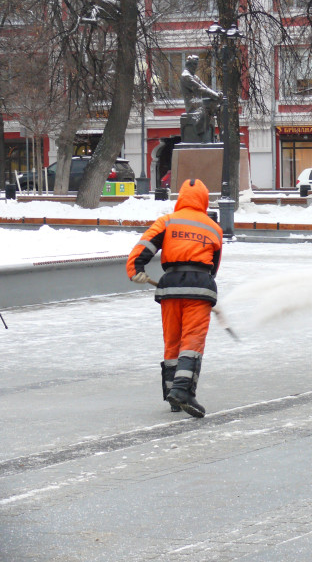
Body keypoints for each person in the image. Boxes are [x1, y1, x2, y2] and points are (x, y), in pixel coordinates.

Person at [126, 178, 223, 418]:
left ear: (180, 198)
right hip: (199, 288)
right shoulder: (213, 228)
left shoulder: (167, 221)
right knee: (192, 341)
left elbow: (143, 247)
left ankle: (173, 395)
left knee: (173, 340)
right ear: (204, 200)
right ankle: (182, 391)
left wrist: (135, 270)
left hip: (169, 287)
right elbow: (214, 267)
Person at [180, 55, 221, 143]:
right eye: (194, 64)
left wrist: (216, 95)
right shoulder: (185, 76)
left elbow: (205, 87)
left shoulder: (195, 77)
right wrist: (215, 95)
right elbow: (199, 89)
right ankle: (201, 131)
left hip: (198, 101)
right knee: (211, 104)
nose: (196, 67)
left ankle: (217, 132)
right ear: (189, 64)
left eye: (196, 65)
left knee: (217, 103)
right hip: (192, 103)